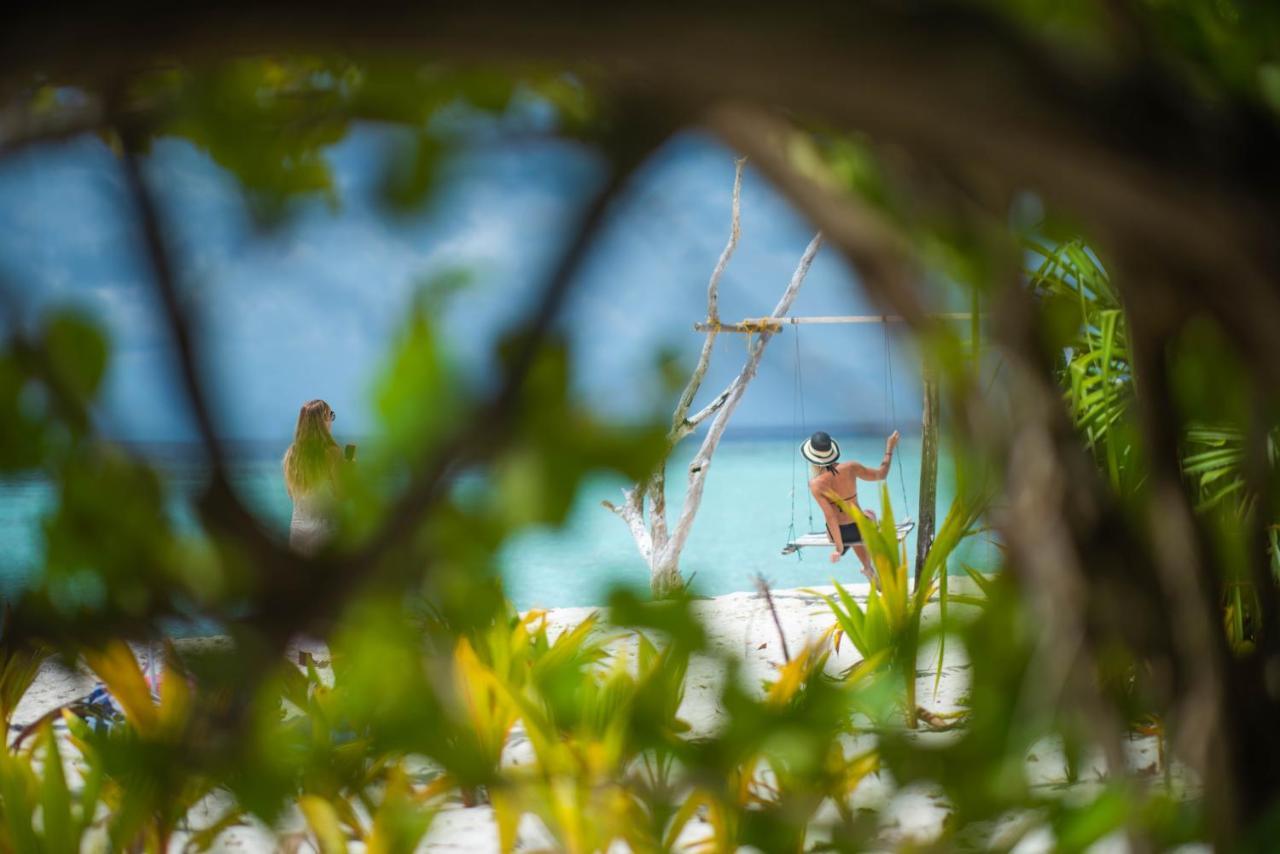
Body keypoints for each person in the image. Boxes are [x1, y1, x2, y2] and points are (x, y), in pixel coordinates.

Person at [802, 429, 900, 585]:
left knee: (848, 528)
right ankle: (868, 566)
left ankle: (867, 567)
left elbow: (830, 517)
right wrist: (890, 447)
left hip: (838, 535)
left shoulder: (815, 484)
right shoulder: (851, 467)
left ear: (812, 457)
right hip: (861, 530)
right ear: (831, 450)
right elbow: (881, 474)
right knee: (868, 515)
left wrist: (839, 549)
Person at [282, 399, 353, 555]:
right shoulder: (331, 452)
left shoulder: (291, 454)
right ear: (323, 421)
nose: (332, 421)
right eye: (330, 415)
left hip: (298, 532)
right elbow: (342, 494)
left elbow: (291, 493)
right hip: (325, 531)